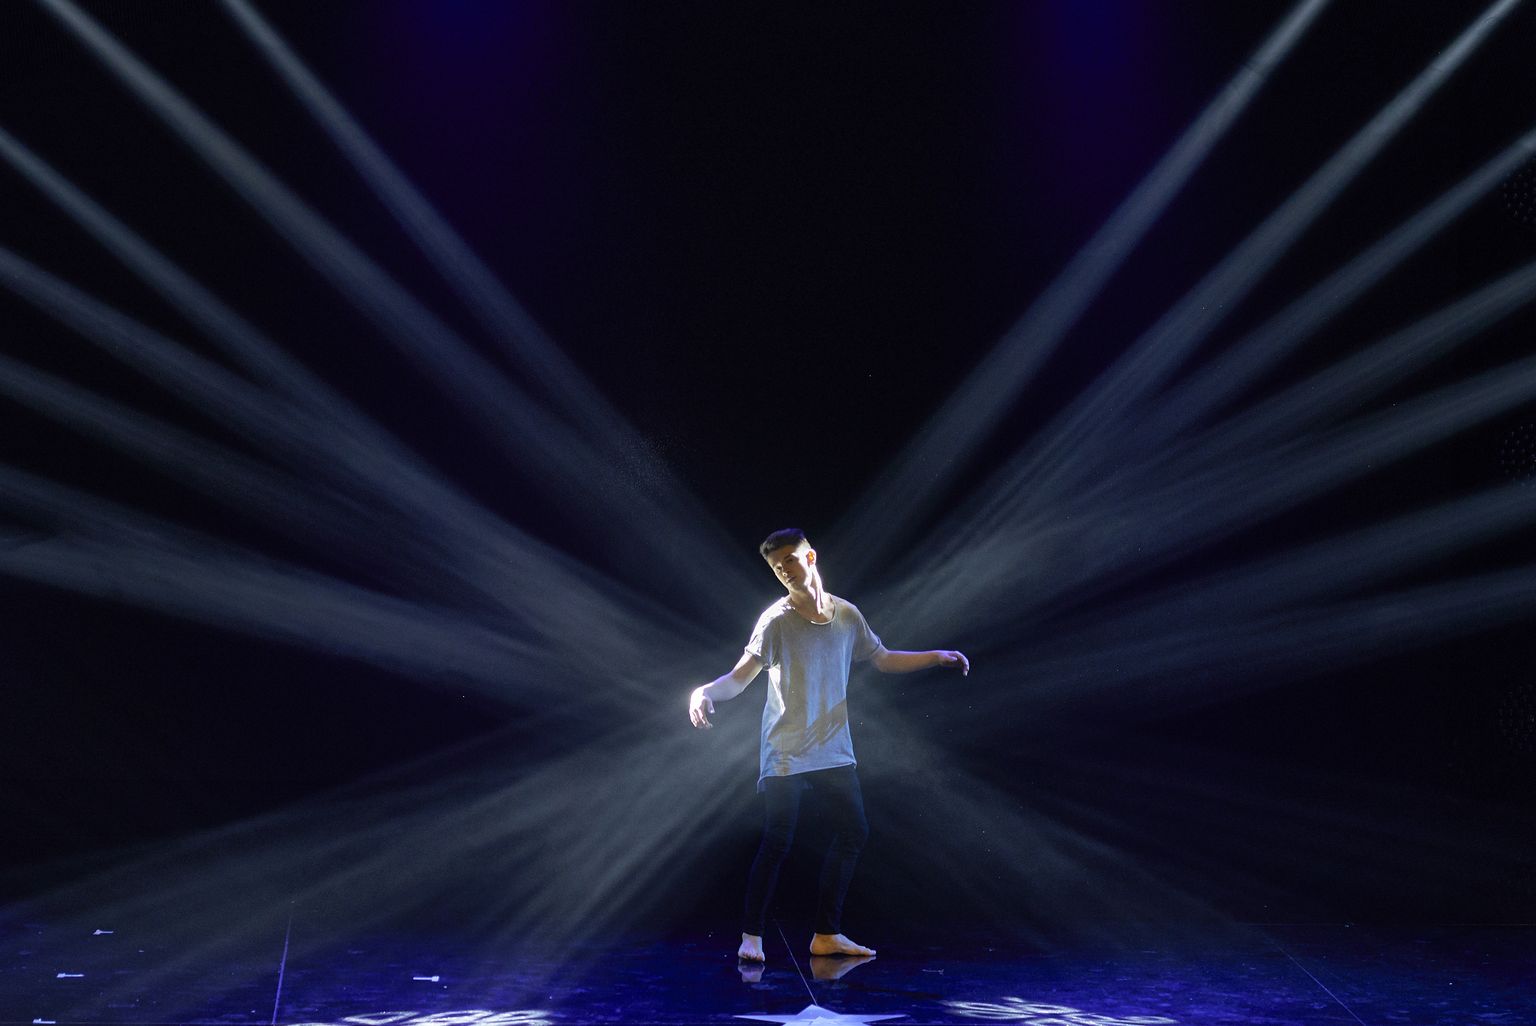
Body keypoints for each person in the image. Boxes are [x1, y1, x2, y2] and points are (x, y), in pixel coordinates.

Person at [689, 528, 969, 962]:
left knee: (854, 831)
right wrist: (703, 691)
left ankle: (826, 934)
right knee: (778, 840)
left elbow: (882, 658)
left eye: (790, 560)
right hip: (785, 750)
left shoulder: (847, 615)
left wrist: (934, 656)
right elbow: (738, 678)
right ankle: (751, 936)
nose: (784, 570)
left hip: (834, 749)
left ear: (810, 557)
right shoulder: (776, 621)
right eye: (777, 567)